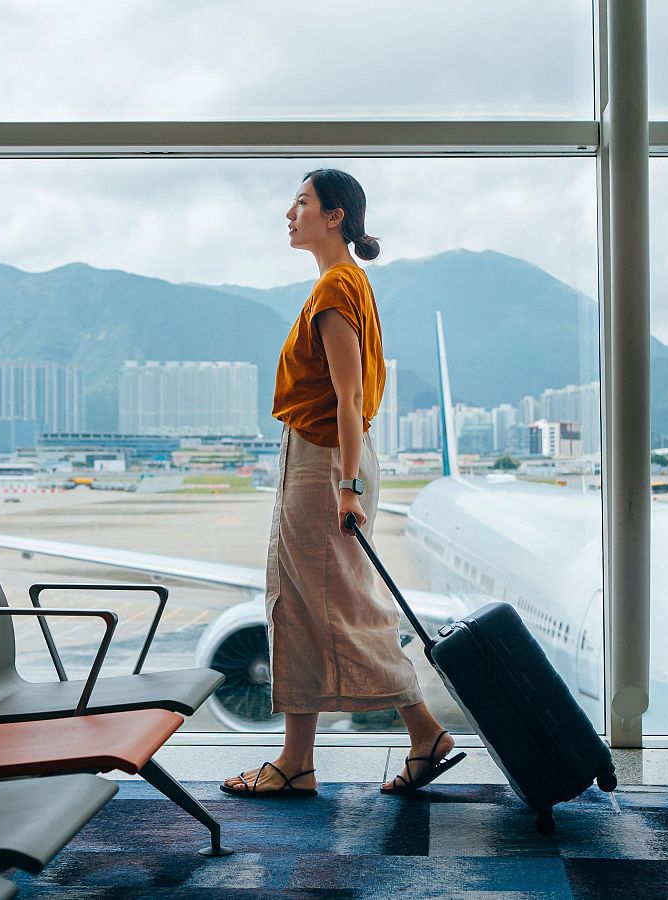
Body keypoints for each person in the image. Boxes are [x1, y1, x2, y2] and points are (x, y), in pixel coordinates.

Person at [221, 169, 463, 798]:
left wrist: (347, 485)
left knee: (341, 604)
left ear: (334, 216)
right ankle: (297, 759)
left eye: (301, 202)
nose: (289, 212)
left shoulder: (335, 289)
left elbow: (350, 398)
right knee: (299, 603)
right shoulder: (347, 283)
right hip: (324, 459)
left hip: (327, 462)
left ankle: (423, 731)